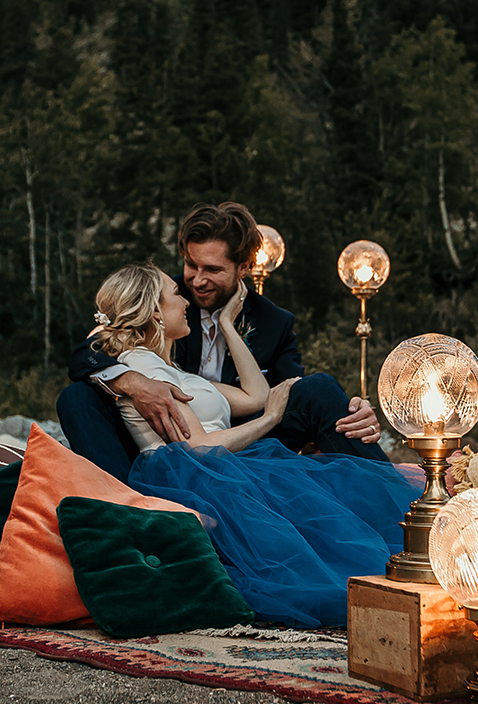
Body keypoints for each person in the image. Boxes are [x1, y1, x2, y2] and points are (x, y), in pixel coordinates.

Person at [86, 262, 421, 627]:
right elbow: (197, 446)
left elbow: (257, 394)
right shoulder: (142, 370)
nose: (185, 302)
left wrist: (228, 325)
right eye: (176, 294)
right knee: (317, 546)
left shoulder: (173, 370)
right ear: (154, 312)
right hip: (200, 476)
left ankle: (408, 529)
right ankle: (412, 536)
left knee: (319, 442)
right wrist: (269, 421)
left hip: (226, 465)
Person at [58, 201, 386, 483]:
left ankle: (403, 509)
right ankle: (120, 505)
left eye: (213, 269)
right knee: (78, 395)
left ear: (243, 268)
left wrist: (352, 410)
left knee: (320, 390)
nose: (197, 280)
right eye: (191, 265)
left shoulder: (273, 322)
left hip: (248, 438)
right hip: (167, 455)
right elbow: (88, 352)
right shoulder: (161, 301)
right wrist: (134, 383)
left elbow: (287, 392)